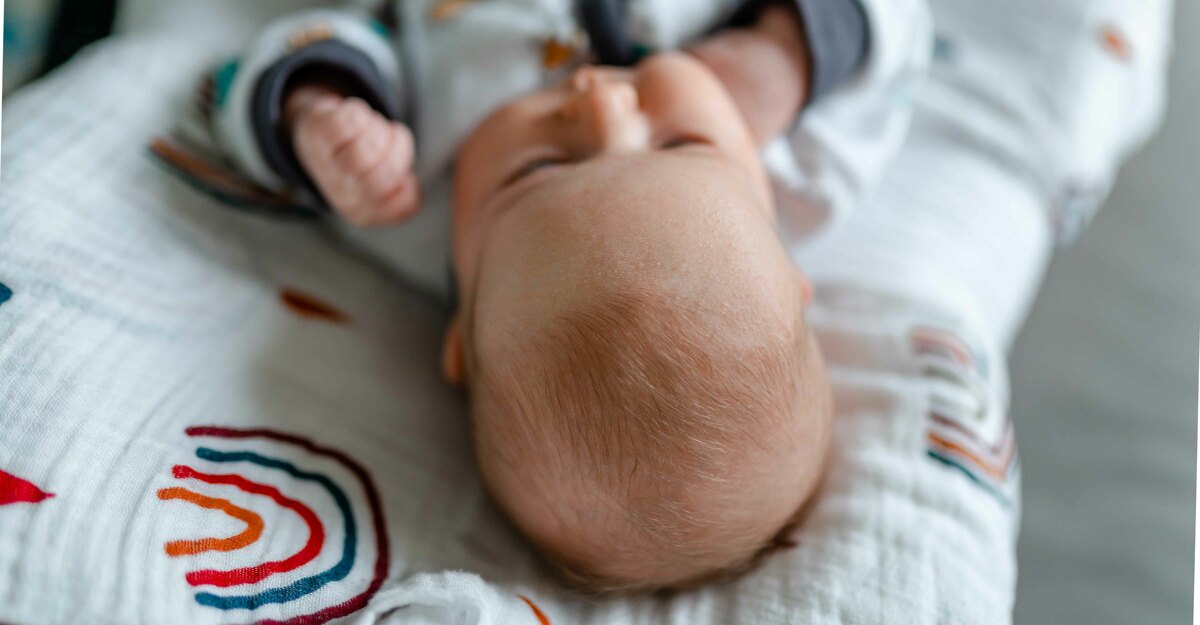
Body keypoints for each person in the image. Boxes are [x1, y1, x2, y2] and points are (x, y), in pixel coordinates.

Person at [169, 0, 929, 590]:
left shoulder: (406, 199)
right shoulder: (809, 169)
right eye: (681, 145)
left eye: (538, 170)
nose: (601, 103)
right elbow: (899, 25)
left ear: (465, 331)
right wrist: (785, 54)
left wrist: (315, 108)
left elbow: (241, 83)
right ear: (787, 263)